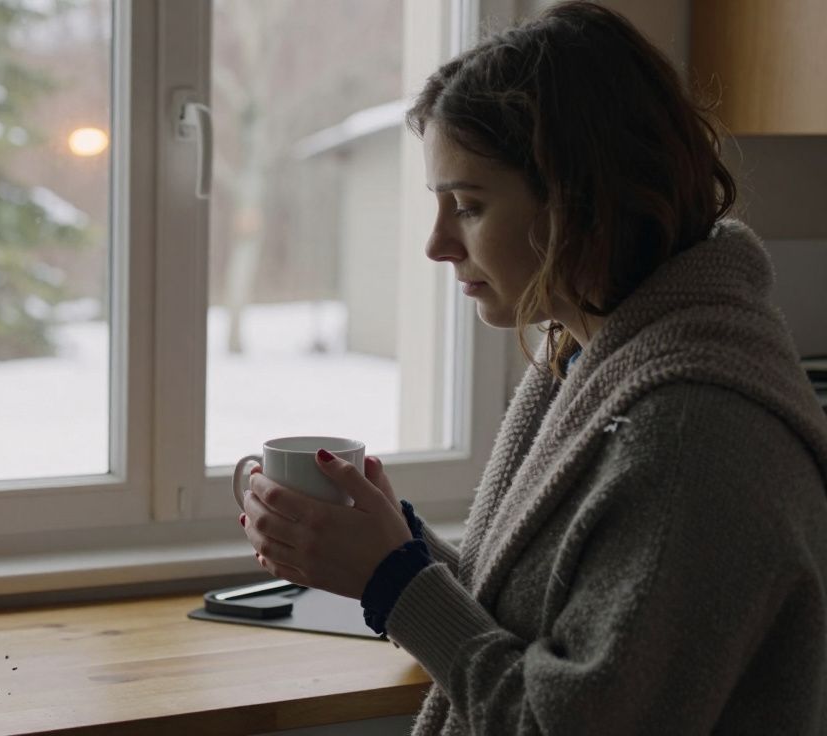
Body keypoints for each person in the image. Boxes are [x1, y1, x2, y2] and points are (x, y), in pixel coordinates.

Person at [238, 2, 827, 734]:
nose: (437, 244)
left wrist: (393, 582)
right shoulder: (589, 356)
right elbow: (541, 626)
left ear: (582, 200)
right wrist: (398, 548)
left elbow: (565, 723)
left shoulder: (690, 434)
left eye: (470, 206)